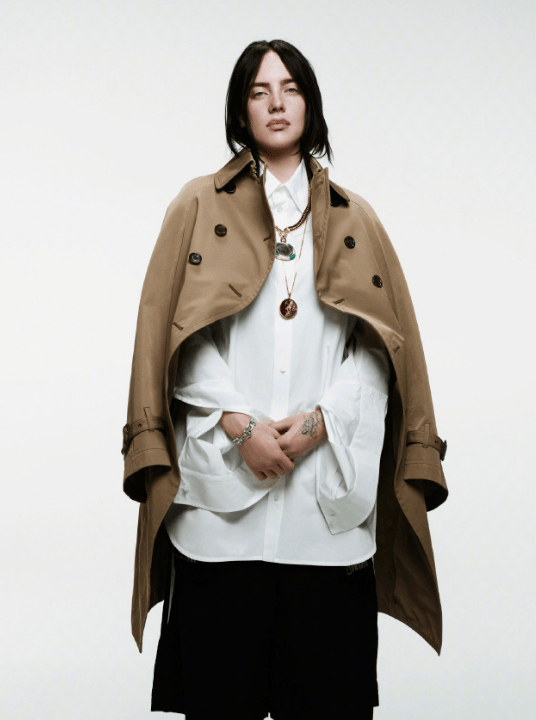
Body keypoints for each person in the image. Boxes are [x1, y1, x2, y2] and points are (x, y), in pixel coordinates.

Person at [121, 39, 448, 720]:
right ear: (241, 110)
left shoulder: (356, 218)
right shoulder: (197, 204)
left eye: (291, 88)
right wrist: (239, 424)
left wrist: (319, 424)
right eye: (259, 91)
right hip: (218, 520)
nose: (276, 103)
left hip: (326, 523)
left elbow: (378, 349)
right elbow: (175, 336)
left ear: (310, 104)